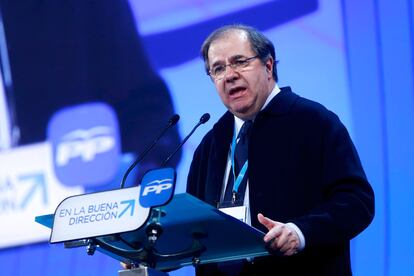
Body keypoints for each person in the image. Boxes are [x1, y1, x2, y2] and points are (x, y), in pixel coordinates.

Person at [186, 24, 375, 275]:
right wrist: (145, 251)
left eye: (240, 62)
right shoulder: (211, 144)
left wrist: (300, 232)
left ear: (268, 66)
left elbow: (356, 201)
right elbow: (194, 228)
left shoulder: (313, 122)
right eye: (218, 68)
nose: (229, 75)